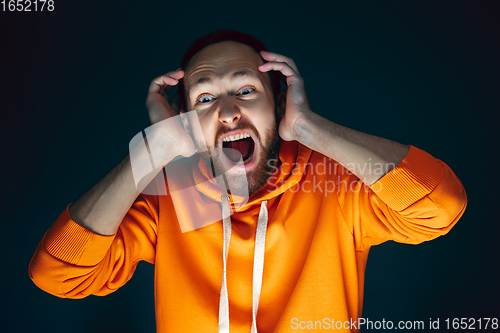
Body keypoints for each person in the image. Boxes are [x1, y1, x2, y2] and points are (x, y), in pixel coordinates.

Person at [29, 30, 467, 333]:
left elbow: (442, 205)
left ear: (278, 104)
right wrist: (154, 151)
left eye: (245, 90)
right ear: (185, 121)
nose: (226, 111)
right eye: (204, 98)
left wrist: (311, 129)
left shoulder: (336, 189)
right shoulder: (167, 200)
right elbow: (58, 275)